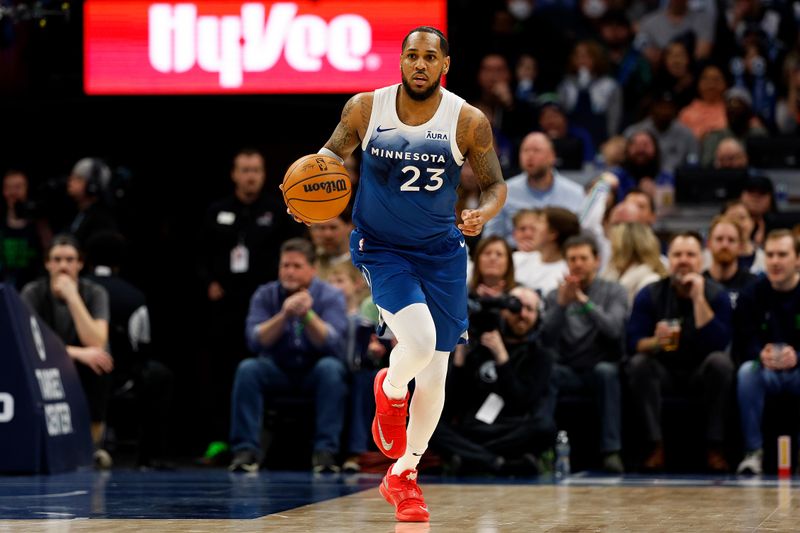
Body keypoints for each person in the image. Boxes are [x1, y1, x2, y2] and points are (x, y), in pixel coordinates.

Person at [286, 27, 507, 522]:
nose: (420, 64)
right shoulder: (366, 108)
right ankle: (388, 389)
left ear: (444, 64)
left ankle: (404, 475)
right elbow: (329, 157)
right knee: (421, 341)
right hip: (382, 247)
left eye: (430, 57)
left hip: (442, 252)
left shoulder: (467, 120)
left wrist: (483, 214)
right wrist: (309, 196)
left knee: (436, 372)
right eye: (412, 55)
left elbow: (495, 185)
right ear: (401, 61)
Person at [197, 147, 301, 463]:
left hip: (264, 308)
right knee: (221, 371)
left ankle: (256, 441)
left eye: (255, 170)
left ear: (264, 174)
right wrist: (209, 283)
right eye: (244, 170)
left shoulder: (276, 212)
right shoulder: (217, 211)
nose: (250, 176)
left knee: (256, 370)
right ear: (234, 174)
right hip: (224, 307)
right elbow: (198, 255)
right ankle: (220, 441)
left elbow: (292, 257)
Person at [227, 238, 349, 474]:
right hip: (277, 369)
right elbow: (254, 340)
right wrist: (284, 315)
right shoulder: (265, 294)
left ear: (312, 269)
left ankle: (326, 452)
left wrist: (308, 315)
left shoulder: (330, 296)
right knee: (248, 369)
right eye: (285, 265)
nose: (290, 271)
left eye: (297, 266)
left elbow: (333, 343)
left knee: (332, 369)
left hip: (314, 370)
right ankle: (245, 451)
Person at [626, 231, 734, 472]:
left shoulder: (716, 295)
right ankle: (655, 446)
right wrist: (655, 342)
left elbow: (719, 342)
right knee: (638, 364)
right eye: (677, 254)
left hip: (701, 372)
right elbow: (632, 342)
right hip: (663, 372)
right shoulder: (650, 294)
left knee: (721, 363)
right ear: (668, 259)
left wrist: (698, 299)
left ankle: (714, 448)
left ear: (702, 259)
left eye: (690, 254)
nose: (684, 260)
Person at [432, 286, 556, 475]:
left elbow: (522, 402)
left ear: (539, 316)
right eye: (515, 308)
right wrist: (459, 358)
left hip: (512, 429)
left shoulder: (540, 356)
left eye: (529, 309)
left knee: (544, 428)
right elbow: (449, 405)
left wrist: (501, 357)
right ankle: (500, 464)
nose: (521, 314)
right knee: (430, 426)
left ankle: (473, 458)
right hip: (475, 429)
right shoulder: (478, 348)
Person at [20, 234, 115, 468]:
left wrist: (73, 297)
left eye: (70, 259)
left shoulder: (95, 293)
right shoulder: (32, 292)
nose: (63, 265)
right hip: (44, 365)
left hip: (82, 366)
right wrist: (77, 353)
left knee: (99, 361)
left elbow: (97, 341)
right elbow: (28, 343)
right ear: (47, 263)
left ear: (80, 264)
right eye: (57, 259)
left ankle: (94, 448)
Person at [83, 231, 175, 470]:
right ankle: (151, 455)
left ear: (87, 259)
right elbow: (141, 344)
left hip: (82, 373)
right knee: (157, 373)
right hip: (120, 376)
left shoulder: (79, 290)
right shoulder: (134, 296)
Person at [540, 234, 629, 473]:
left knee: (606, 372)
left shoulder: (615, 291)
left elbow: (614, 330)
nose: (577, 263)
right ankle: (543, 448)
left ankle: (612, 452)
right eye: (572, 259)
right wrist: (561, 305)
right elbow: (545, 339)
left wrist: (583, 301)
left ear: (597, 261)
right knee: (547, 371)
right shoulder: (554, 295)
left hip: (600, 364)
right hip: (568, 368)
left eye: (583, 258)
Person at [733, 230, 800, 475]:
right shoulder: (752, 293)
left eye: (782, 254)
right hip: (763, 368)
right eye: (770, 254)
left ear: (797, 259)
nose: (775, 261)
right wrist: (760, 353)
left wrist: (797, 355)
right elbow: (743, 338)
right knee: (745, 372)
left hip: (798, 370)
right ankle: (753, 453)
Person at [484, 132, 584, 246]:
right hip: (515, 256)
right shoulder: (502, 192)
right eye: (525, 150)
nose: (530, 155)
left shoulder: (576, 193)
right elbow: (491, 238)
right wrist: (515, 243)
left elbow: (581, 237)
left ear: (552, 156)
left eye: (536, 150)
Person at [702, 215, 758, 310]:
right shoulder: (700, 284)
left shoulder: (753, 285)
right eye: (719, 239)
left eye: (731, 240)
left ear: (740, 246)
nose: (725, 245)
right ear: (709, 244)